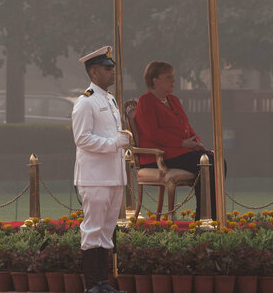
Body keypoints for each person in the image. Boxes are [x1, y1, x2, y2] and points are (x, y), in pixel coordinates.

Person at [71, 45, 130, 293]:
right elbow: (82, 138)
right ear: (93, 72)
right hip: (94, 177)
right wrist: (114, 143)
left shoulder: (109, 99)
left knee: (107, 232)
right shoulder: (85, 102)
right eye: (107, 68)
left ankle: (103, 283)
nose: (112, 72)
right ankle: (91, 285)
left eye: (113, 67)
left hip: (113, 175)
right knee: (93, 231)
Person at [135, 61, 225, 220]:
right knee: (205, 164)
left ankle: (212, 214)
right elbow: (152, 133)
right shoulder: (145, 101)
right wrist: (183, 143)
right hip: (160, 157)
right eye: (168, 77)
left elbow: (186, 127)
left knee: (218, 162)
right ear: (155, 80)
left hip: (181, 152)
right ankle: (204, 217)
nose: (173, 81)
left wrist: (196, 142)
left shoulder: (173, 100)